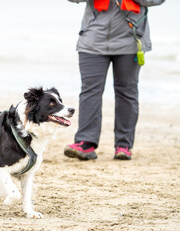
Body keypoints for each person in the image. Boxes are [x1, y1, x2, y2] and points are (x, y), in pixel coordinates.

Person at [64, 0, 165, 161]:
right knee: (90, 92)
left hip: (130, 41)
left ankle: (123, 145)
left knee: (127, 92)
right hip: (92, 40)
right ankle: (85, 143)